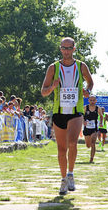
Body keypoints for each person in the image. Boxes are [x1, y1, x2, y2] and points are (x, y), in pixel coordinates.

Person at [41, 37, 93, 195]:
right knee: (62, 149)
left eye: (69, 48)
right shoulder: (53, 68)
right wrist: (53, 87)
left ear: (74, 49)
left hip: (76, 111)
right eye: (64, 48)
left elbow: (90, 82)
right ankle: (63, 179)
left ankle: (71, 174)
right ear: (60, 49)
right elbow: (43, 92)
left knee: (72, 143)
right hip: (59, 112)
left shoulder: (81, 66)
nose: (66, 51)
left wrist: (87, 91)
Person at [83, 95, 103, 162]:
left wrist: (100, 123)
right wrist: (83, 121)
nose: (92, 101)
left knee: (93, 143)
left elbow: (101, 116)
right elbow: (81, 115)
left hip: (94, 128)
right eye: (91, 100)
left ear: (96, 101)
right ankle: (90, 151)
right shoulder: (85, 107)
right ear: (88, 100)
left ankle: (91, 158)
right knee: (88, 145)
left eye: (93, 100)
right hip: (87, 128)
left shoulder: (98, 108)